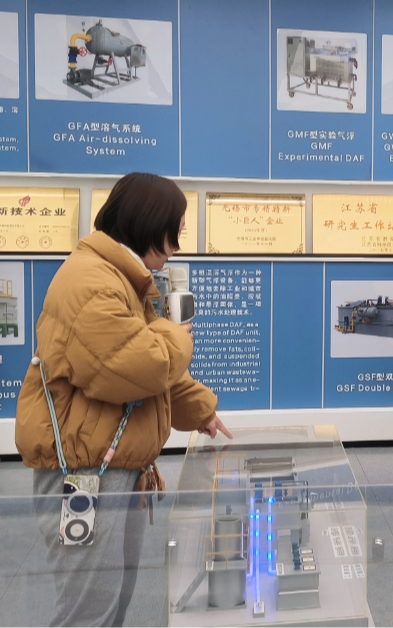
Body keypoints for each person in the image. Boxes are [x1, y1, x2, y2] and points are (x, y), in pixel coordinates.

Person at [16, 172, 232, 628]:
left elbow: (144, 367)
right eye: (173, 231)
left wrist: (201, 410)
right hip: (85, 475)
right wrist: (176, 335)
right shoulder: (92, 281)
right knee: (87, 609)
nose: (175, 246)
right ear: (147, 224)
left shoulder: (118, 278)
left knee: (111, 599)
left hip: (110, 466)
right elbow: (140, 365)